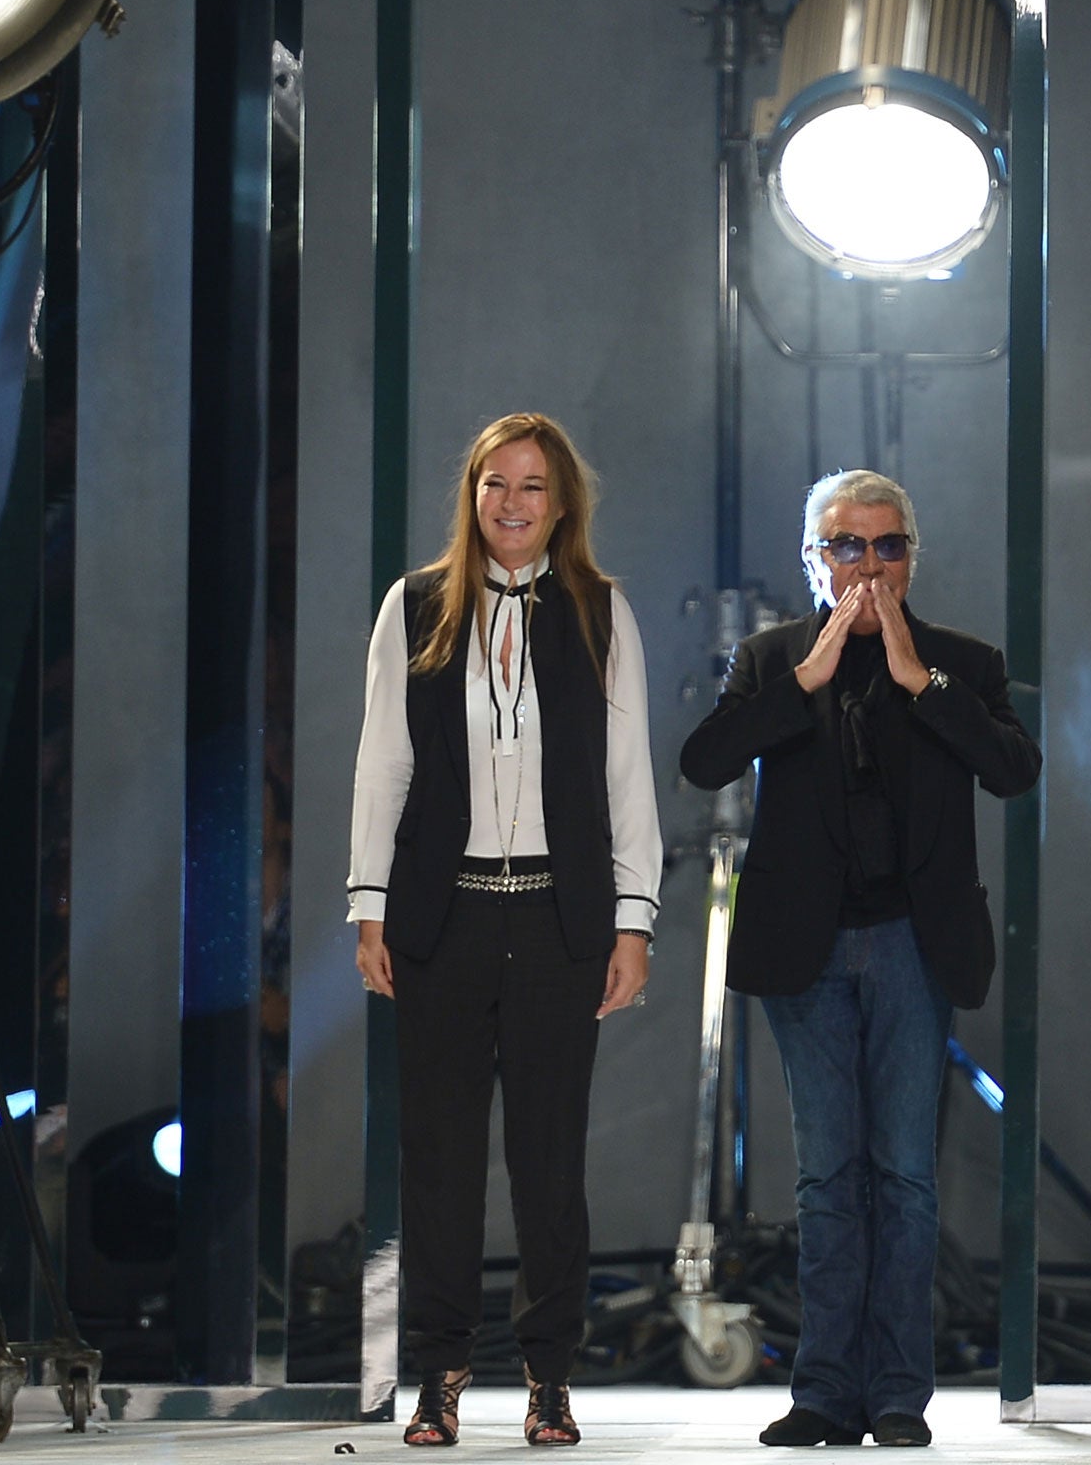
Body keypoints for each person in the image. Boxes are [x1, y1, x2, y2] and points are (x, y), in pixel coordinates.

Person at [679, 469, 1041, 1448]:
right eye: (846, 546)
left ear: (910, 557)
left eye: (886, 547)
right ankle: (821, 1391)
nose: (867, 567)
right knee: (825, 1179)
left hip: (912, 947)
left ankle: (895, 1395)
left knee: (902, 1178)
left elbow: (1013, 770)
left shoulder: (960, 661)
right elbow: (704, 761)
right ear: (813, 560)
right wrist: (808, 678)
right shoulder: (771, 660)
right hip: (806, 948)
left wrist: (918, 677)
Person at [347, 412, 662, 1448]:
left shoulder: (600, 611)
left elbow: (627, 780)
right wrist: (368, 907)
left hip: (559, 917)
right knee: (435, 1158)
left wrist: (633, 920)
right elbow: (383, 762)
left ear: (561, 502)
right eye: (495, 484)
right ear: (471, 494)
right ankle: (437, 1376)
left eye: (532, 486)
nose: (512, 504)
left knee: (547, 1158)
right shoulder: (416, 603)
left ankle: (547, 1379)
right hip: (443, 912)